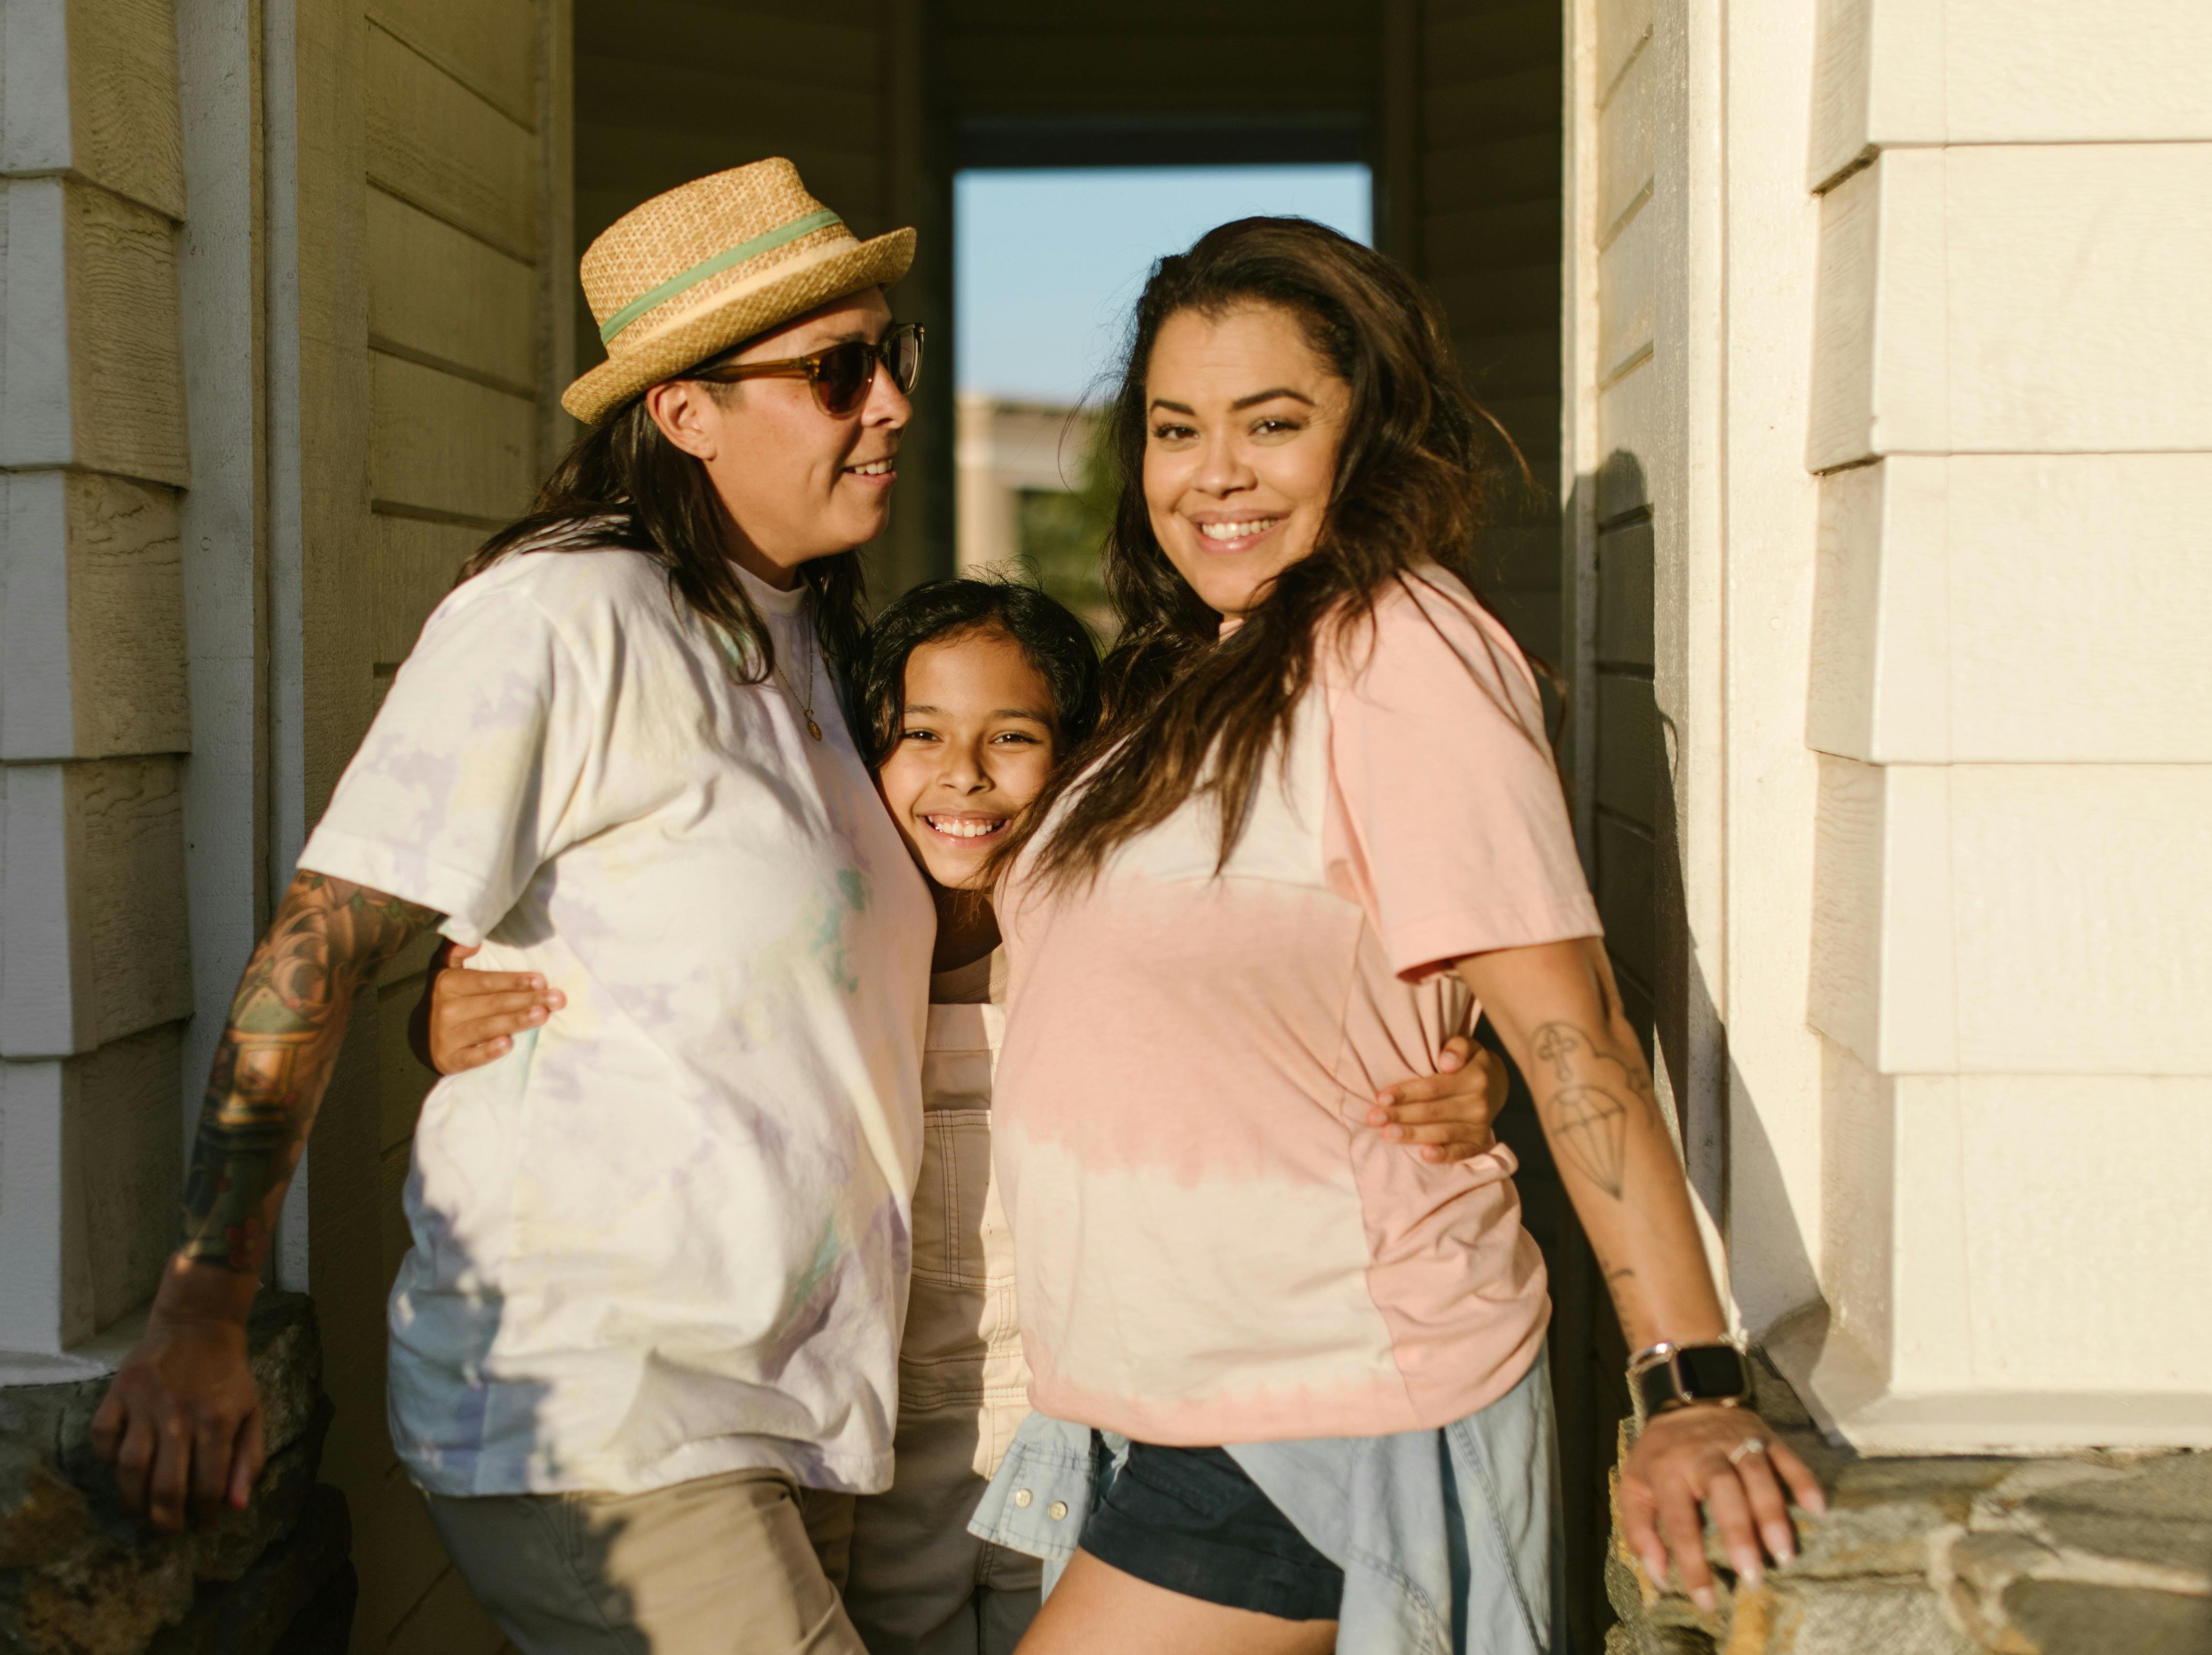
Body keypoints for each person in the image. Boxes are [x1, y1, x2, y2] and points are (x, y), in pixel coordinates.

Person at [93, 158, 943, 1654]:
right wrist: (200, 1319)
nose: (887, 403)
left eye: (893, 356)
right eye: (837, 369)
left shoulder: (795, 632)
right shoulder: (564, 615)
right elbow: (317, 944)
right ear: (684, 412)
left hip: (787, 1402)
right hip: (603, 1407)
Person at [959, 218, 1827, 1655]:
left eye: (1272, 423)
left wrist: (1688, 1383)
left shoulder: (1394, 648)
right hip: (1165, 1397)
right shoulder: (1197, 672)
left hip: (1321, 1397)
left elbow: (1571, 1025)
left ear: (1368, 438)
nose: (1212, 473)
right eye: (1175, 429)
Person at [422, 577, 1513, 1655]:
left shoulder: (1100, 932)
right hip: (885, 1429)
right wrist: (449, 1012)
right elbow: (664, 1006)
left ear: (1077, 753)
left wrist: (1482, 1079)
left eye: (1012, 738)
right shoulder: (826, 930)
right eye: (922, 736)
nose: (963, 776)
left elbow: (1273, 1036)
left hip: (1082, 1419)